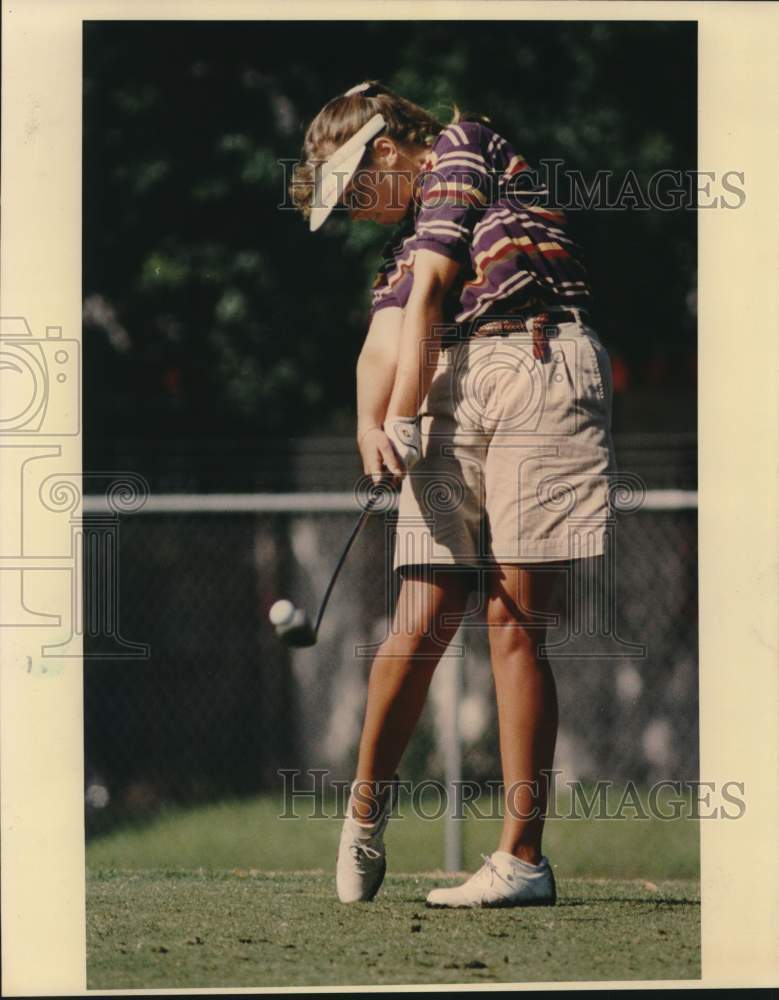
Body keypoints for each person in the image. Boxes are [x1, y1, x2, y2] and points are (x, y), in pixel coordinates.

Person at [290, 81, 617, 908]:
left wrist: (402, 415)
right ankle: (363, 816)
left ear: (387, 153)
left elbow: (434, 294)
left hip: (536, 367)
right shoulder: (402, 234)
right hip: (450, 383)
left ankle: (520, 860)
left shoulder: (462, 147)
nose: (357, 213)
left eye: (354, 191)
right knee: (421, 616)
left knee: (511, 617)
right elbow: (383, 338)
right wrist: (373, 425)